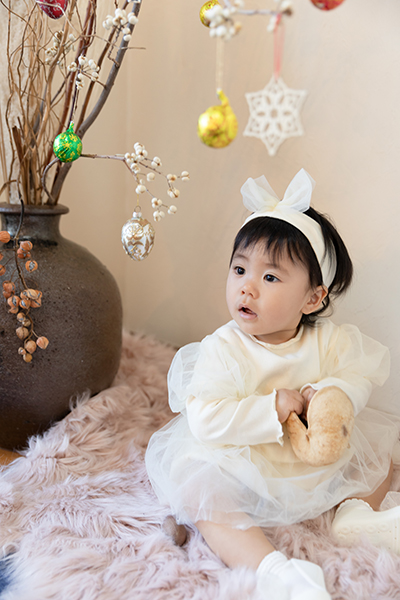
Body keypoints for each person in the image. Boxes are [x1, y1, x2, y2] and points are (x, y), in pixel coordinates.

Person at [145, 169, 400, 600]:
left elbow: (358, 375)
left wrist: (332, 394)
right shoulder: (224, 348)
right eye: (239, 269)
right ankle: (271, 568)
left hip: (313, 461)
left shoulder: (329, 341)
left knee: (380, 450)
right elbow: (206, 419)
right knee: (198, 485)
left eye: (270, 277)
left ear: (312, 298)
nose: (247, 287)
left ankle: (355, 515)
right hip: (245, 462)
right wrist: (270, 408)